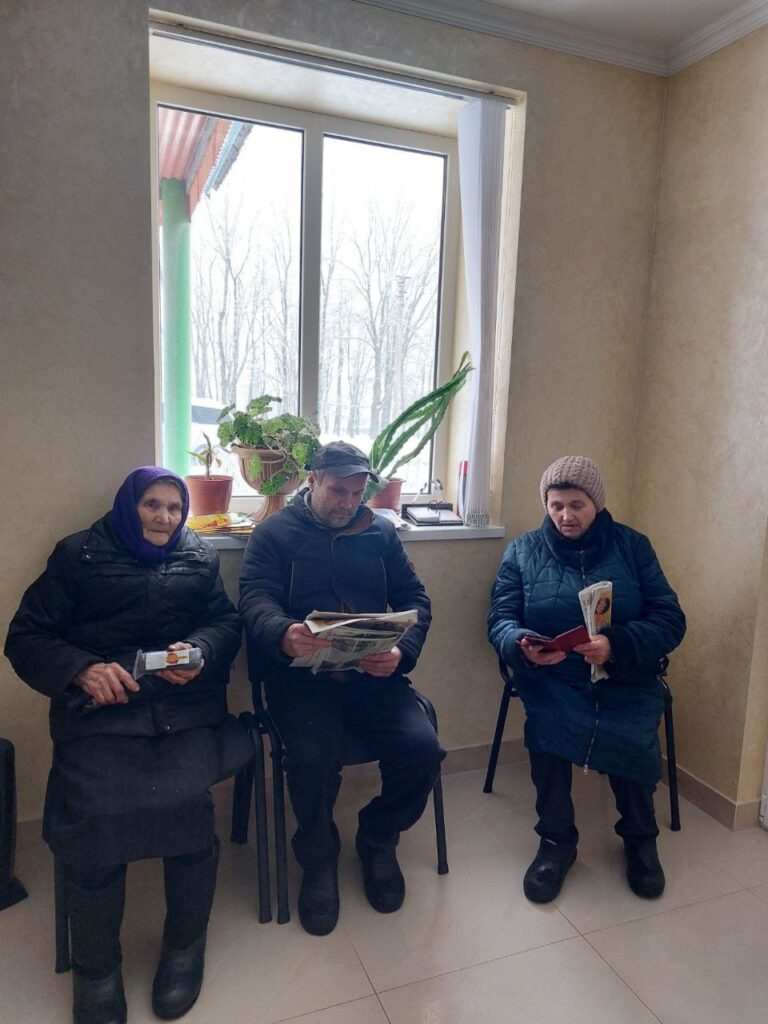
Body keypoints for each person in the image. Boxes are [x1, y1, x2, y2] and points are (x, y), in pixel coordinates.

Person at [5, 467, 246, 1024]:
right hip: (101, 714)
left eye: (175, 508)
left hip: (182, 712)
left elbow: (225, 623)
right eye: (152, 505)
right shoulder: (79, 554)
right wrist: (82, 669)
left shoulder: (199, 557)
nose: (164, 517)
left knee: (188, 807)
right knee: (95, 816)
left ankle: (184, 947)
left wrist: (201, 651)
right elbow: (26, 637)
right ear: (127, 506)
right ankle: (96, 967)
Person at [239, 441, 444, 936]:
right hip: (301, 680)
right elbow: (255, 599)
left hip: (372, 676)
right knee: (311, 758)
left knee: (423, 750)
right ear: (312, 481)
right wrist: (282, 633)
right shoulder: (274, 533)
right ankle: (318, 857)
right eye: (337, 491)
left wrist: (400, 653)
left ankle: (377, 836)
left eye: (357, 493)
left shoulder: (381, 533)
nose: (348, 503)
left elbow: (415, 599)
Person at [488, 456, 686, 904]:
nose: (565, 516)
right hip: (555, 676)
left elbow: (670, 618)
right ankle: (556, 841)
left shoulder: (633, 547)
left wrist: (616, 644)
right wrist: (521, 644)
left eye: (577, 504)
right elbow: (500, 618)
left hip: (624, 674)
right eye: (556, 505)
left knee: (634, 734)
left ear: (597, 503)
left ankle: (640, 838)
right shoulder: (522, 551)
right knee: (547, 730)